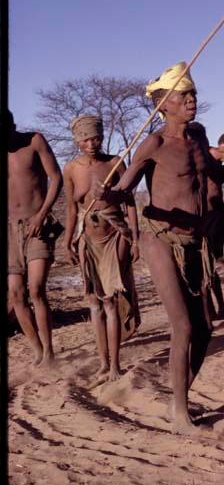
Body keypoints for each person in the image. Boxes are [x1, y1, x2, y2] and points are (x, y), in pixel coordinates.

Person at [91, 62, 224, 433]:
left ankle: (179, 395)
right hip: (161, 238)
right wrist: (106, 194)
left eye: (193, 95)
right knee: (182, 326)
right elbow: (124, 189)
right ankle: (180, 414)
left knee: (205, 328)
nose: (192, 101)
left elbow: (222, 174)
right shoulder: (154, 143)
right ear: (163, 104)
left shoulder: (195, 140)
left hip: (197, 243)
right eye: (183, 96)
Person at [63, 115, 140, 382]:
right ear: (78, 141)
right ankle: (104, 364)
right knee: (94, 303)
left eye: (95, 138)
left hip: (114, 235)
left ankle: (116, 365)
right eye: (85, 139)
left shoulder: (115, 163)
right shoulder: (71, 169)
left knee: (110, 301)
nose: (91, 143)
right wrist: (68, 241)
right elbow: (73, 208)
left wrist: (136, 238)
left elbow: (129, 202)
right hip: (87, 237)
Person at [7, 109, 63, 368]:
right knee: (16, 294)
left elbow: (56, 178)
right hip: (9, 230)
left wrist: (42, 214)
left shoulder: (34, 141)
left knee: (36, 288)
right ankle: (38, 352)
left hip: (37, 224)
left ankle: (50, 352)